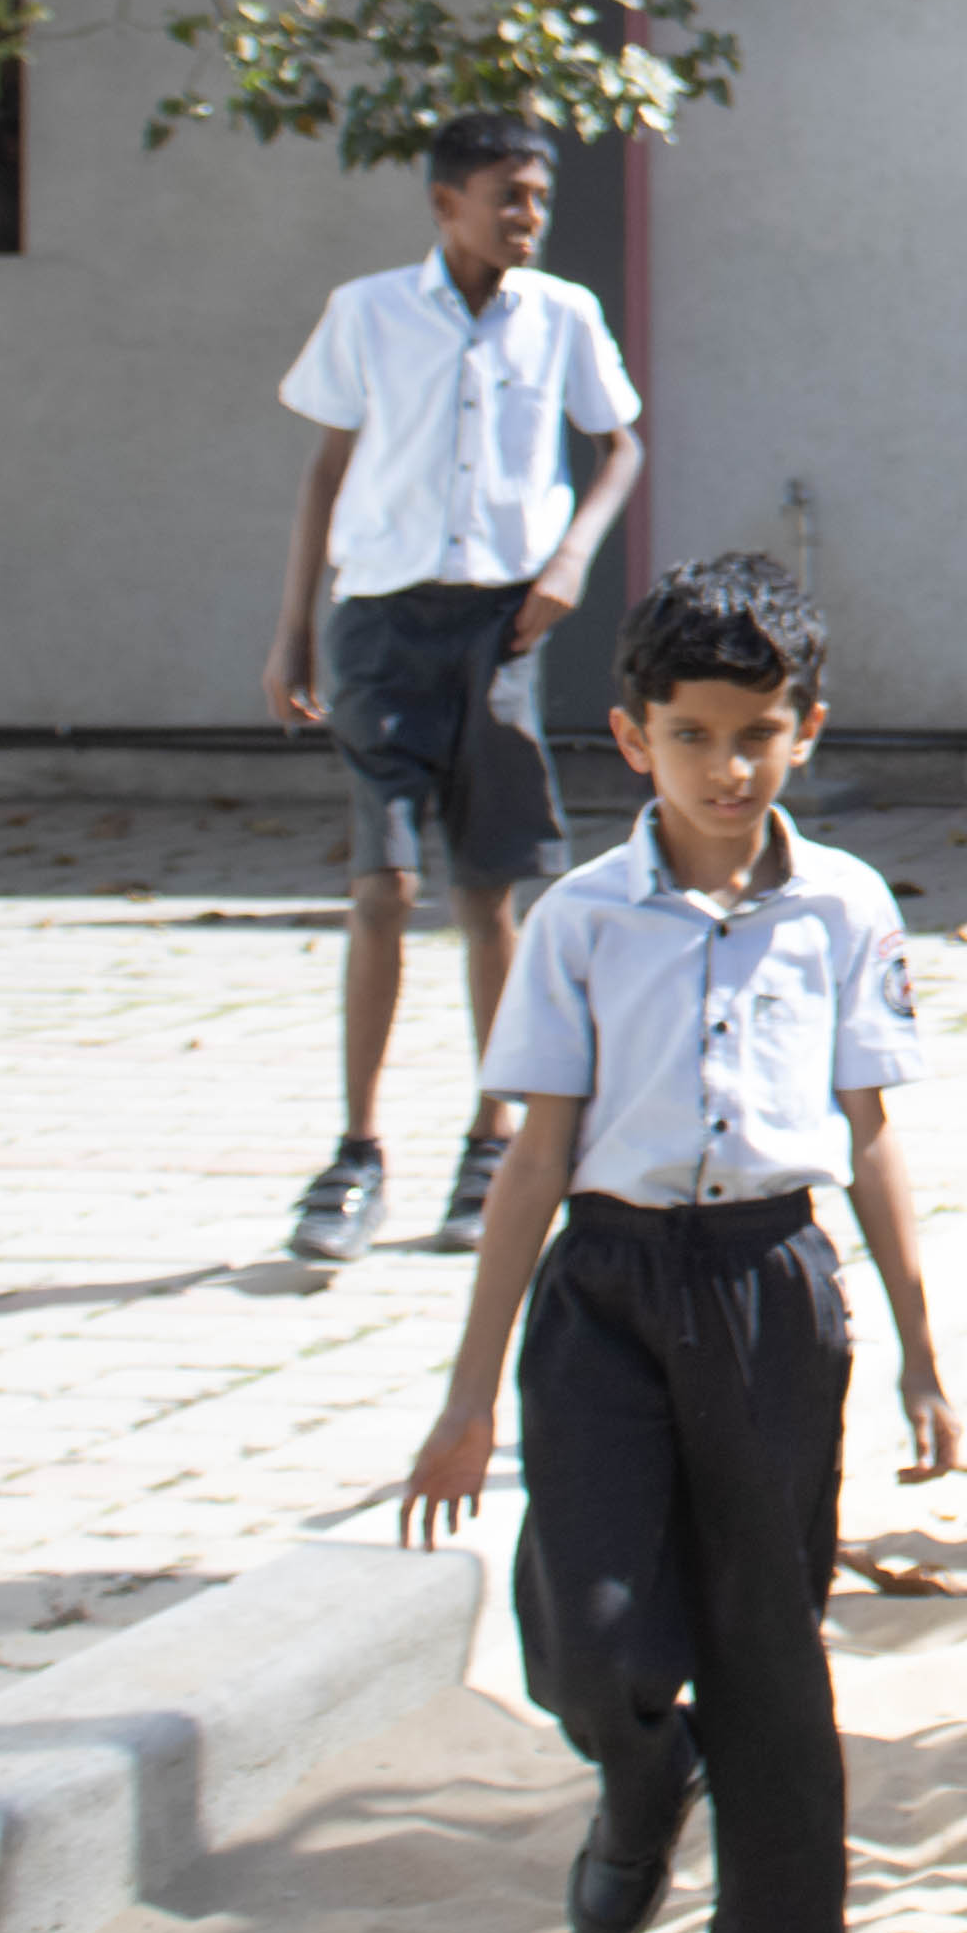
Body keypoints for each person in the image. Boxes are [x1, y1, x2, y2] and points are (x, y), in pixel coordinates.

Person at [398, 555, 952, 1933]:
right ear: (633, 737)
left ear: (806, 732)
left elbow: (873, 1131)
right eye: (695, 735)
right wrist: (461, 1399)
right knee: (593, 1628)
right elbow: (534, 1159)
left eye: (759, 733)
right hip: (609, 1290)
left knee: (769, 1643)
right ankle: (642, 1777)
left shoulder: (843, 908)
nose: (730, 767)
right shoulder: (581, 922)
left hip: (774, 1289)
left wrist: (918, 1346)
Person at [268, 104, 649, 1264]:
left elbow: (619, 442)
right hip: (381, 625)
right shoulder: (370, 312)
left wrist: (572, 558)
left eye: (539, 196)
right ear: (447, 204)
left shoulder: (562, 316)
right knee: (381, 883)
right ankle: (356, 1148)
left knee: (492, 893)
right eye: (506, 195)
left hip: (502, 629)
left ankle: (492, 1143)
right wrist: (294, 632)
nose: (528, 216)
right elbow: (326, 472)